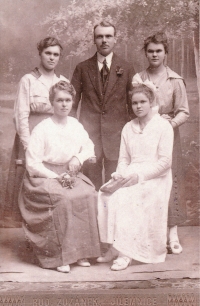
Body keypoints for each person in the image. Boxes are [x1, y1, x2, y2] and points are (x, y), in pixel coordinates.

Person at [19, 80, 101, 272]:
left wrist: (77, 157)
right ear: (52, 103)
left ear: (72, 102)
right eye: (59, 100)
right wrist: (55, 177)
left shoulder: (75, 124)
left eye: (68, 100)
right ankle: (61, 256)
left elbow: (88, 146)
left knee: (89, 195)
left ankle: (81, 253)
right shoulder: (42, 128)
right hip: (42, 177)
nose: (64, 104)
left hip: (69, 173)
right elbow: (33, 164)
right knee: (63, 199)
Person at [97, 82, 174, 271]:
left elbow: (164, 163)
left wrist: (138, 177)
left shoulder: (163, 126)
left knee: (126, 197)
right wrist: (120, 175)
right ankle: (114, 246)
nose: (138, 107)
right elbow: (123, 159)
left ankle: (127, 254)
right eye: (134, 103)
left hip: (156, 178)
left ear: (151, 102)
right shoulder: (128, 127)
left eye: (142, 102)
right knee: (106, 194)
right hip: (131, 173)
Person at [132, 32, 189, 254]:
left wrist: (168, 126)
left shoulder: (175, 80)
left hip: (169, 137)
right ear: (145, 53)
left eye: (159, 51)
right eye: (150, 51)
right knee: (146, 181)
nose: (154, 54)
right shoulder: (138, 79)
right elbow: (135, 107)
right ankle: (148, 233)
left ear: (166, 53)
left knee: (170, 183)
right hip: (144, 137)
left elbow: (184, 112)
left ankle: (172, 235)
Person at [5, 37, 69, 222]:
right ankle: (25, 221)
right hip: (31, 134)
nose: (52, 58)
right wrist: (27, 144)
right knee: (29, 174)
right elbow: (21, 115)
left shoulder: (62, 81)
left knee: (49, 175)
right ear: (40, 54)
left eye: (56, 54)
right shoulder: (28, 80)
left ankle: (48, 219)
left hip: (53, 136)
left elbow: (65, 112)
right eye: (48, 53)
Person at [71, 20, 135, 190]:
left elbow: (134, 106)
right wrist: (73, 134)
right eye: (100, 36)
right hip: (89, 139)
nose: (104, 40)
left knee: (116, 186)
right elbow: (71, 105)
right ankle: (93, 217)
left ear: (115, 39)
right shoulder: (82, 68)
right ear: (94, 40)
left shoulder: (127, 68)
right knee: (90, 186)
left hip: (117, 138)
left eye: (108, 36)